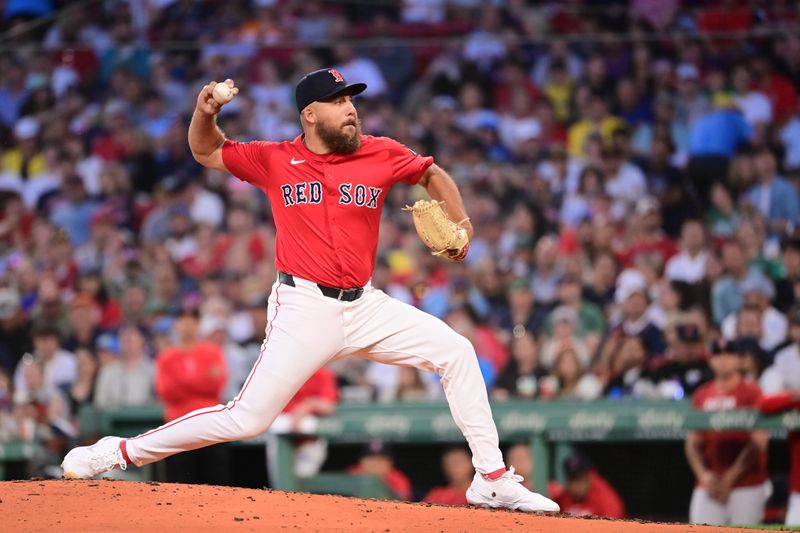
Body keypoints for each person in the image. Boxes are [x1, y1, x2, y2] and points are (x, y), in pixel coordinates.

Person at [61, 69, 559, 513]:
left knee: (457, 351)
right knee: (247, 419)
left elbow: (429, 172)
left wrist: (462, 221)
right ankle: (118, 452)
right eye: (339, 102)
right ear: (310, 114)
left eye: (352, 100)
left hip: (365, 304)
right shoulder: (276, 159)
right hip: (304, 307)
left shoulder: (380, 152)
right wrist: (204, 112)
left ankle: (491, 478)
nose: (351, 110)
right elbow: (206, 150)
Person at [685, 339, 769, 526]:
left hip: (746, 483)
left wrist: (729, 479)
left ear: (738, 360)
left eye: (729, 355)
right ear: (710, 360)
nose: (723, 360)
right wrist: (703, 475)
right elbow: (692, 443)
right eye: (718, 355)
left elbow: (759, 443)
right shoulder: (702, 395)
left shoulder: (752, 393)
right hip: (709, 484)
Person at [550, 452, 625, 518]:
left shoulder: (606, 499)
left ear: (590, 476)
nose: (575, 486)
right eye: (572, 479)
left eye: (580, 479)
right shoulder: (564, 497)